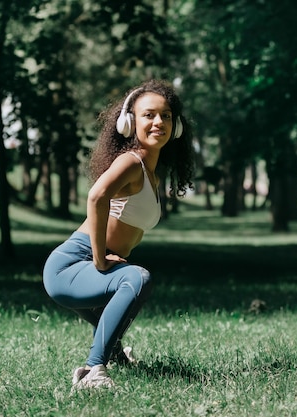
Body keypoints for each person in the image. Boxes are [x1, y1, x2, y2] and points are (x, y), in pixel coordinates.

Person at [43, 79, 196, 389]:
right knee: (136, 278)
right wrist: (100, 259)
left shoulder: (149, 172)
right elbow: (97, 197)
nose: (158, 122)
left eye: (166, 115)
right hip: (71, 265)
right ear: (130, 122)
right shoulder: (130, 162)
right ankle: (92, 372)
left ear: (176, 125)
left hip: (85, 265)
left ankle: (114, 354)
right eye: (149, 115)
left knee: (126, 286)